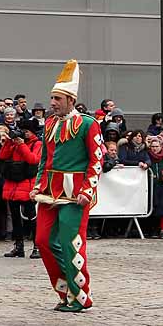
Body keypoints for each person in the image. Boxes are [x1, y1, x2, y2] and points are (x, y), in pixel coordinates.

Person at [31, 60, 104, 313]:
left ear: (70, 100)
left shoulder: (87, 123)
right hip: (48, 191)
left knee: (70, 242)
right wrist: (38, 184)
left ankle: (80, 296)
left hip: (75, 193)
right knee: (42, 241)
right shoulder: (50, 124)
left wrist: (88, 189)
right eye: (51, 98)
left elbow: (97, 159)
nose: (52, 103)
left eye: (57, 98)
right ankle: (64, 290)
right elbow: (44, 158)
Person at [0, 122, 42, 259]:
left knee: (31, 217)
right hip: (13, 184)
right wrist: (8, 142)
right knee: (15, 217)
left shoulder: (37, 144)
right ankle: (18, 247)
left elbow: (33, 160)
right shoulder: (14, 143)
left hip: (27, 184)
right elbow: (3, 156)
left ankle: (37, 247)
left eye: (26, 131)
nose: (24, 133)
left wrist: (21, 144)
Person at [146, 135, 163, 238]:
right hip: (150, 186)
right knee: (152, 208)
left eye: (156, 146)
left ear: (161, 146)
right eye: (152, 146)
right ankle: (152, 230)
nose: (154, 148)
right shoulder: (148, 156)